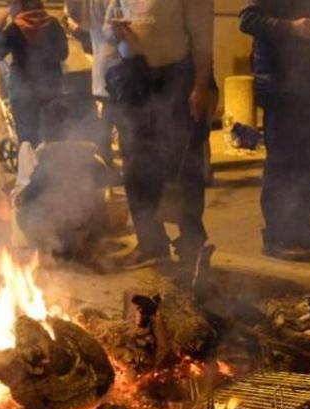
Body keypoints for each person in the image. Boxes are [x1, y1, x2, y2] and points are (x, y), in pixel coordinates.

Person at [105, 0, 215, 270]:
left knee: (182, 166)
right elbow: (108, 25)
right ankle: (150, 243)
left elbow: (202, 38)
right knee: (136, 166)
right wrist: (115, 31)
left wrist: (200, 86)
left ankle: (192, 244)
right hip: (134, 80)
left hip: (175, 80)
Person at [241, 0, 310, 262]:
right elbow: (248, 19)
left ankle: (300, 228)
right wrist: (291, 27)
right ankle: (276, 236)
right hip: (280, 83)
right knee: (283, 161)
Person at [12, 97, 113, 262]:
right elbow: (105, 186)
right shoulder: (92, 156)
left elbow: (30, 196)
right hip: (89, 228)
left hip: (58, 234)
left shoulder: (47, 159)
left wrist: (20, 197)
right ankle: (90, 248)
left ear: (45, 130)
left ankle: (49, 251)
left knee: (24, 208)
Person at [0, 0, 69, 150]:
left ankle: (29, 171)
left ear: (20, 5)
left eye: (11, 5)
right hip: (52, 90)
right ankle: (54, 170)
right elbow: (63, 54)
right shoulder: (53, 24)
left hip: (24, 95)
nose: (10, 9)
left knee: (28, 143)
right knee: (56, 140)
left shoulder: (14, 29)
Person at [65, 0, 122, 167]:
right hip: (118, 62)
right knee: (117, 115)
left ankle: (105, 161)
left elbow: (81, 23)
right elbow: (117, 31)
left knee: (107, 115)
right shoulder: (114, 2)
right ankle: (109, 161)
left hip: (101, 64)